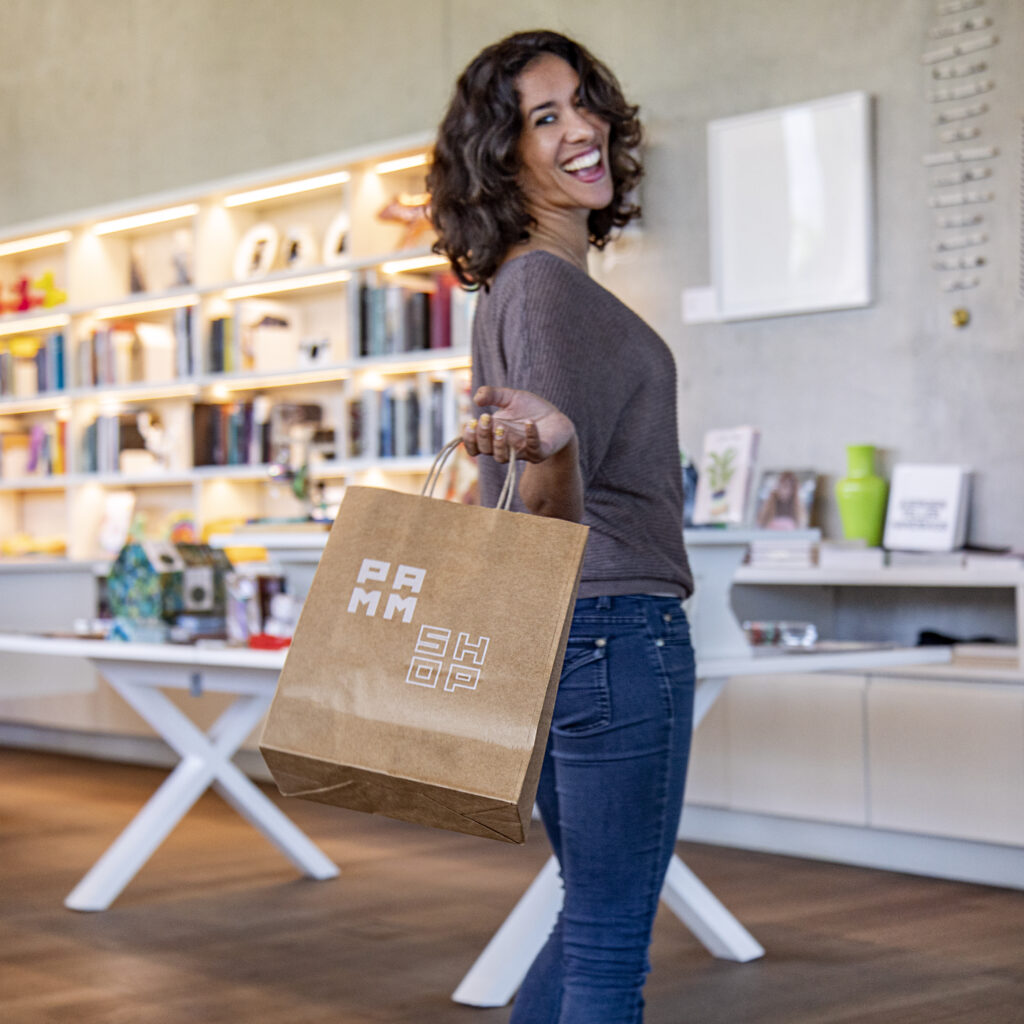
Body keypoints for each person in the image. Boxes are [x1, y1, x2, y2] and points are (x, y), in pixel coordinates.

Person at [428, 30, 696, 1023]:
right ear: (502, 153)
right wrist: (563, 452)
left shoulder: (522, 287)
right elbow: (543, 515)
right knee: (609, 943)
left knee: (590, 919)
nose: (582, 129)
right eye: (545, 118)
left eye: (586, 103)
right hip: (613, 633)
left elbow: (512, 495)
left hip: (572, 640)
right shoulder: (543, 288)